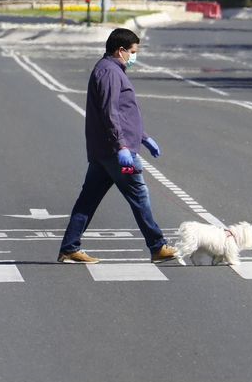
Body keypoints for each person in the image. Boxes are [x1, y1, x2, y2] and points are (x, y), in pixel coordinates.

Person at [58, 28, 178, 264]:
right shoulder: (110, 72)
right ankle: (157, 246)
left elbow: (124, 114)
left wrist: (143, 137)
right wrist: (122, 146)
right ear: (120, 50)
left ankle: (70, 247)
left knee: (88, 199)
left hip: (106, 152)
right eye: (132, 52)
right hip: (116, 152)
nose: (134, 56)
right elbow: (110, 112)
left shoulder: (111, 70)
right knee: (138, 193)